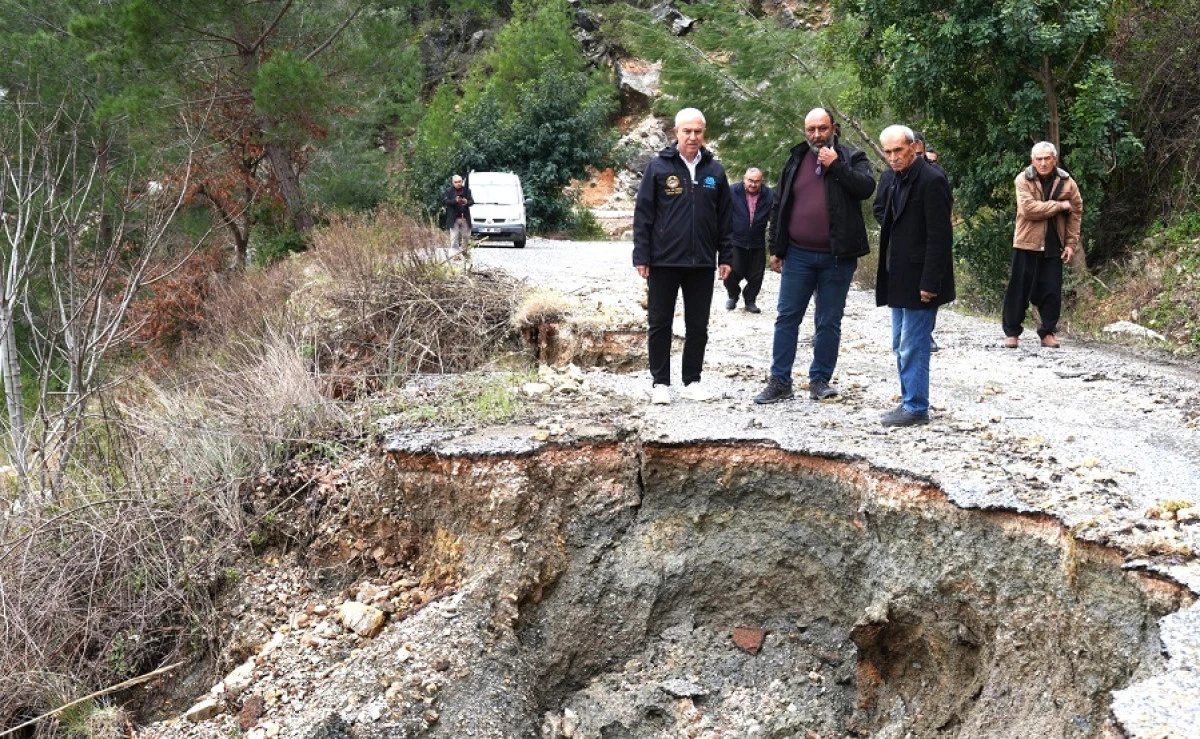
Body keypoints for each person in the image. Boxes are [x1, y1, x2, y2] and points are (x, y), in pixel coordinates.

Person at [754, 108, 876, 404]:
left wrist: (837, 166)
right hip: (798, 255)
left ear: (833, 128)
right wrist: (776, 249)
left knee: (828, 321)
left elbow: (866, 188)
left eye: (822, 128)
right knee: (787, 317)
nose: (817, 135)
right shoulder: (796, 159)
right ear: (805, 130)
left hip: (838, 257)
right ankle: (780, 381)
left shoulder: (852, 157)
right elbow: (780, 204)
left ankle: (820, 380)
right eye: (811, 129)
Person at [632, 107, 733, 405]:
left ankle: (692, 381)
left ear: (704, 134)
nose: (692, 136)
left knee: (698, 326)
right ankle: (660, 383)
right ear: (676, 132)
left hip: (702, 262)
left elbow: (726, 219)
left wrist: (726, 256)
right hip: (663, 260)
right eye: (687, 131)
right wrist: (642, 255)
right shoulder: (658, 167)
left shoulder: (715, 171)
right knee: (659, 323)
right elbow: (643, 214)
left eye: (697, 131)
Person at [874, 124, 955, 427]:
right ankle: (910, 399)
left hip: (921, 279)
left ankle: (916, 407)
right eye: (888, 152)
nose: (893, 157)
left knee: (914, 345)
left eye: (898, 150)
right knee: (900, 343)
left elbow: (940, 236)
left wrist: (930, 282)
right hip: (899, 275)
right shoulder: (894, 179)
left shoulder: (932, 180)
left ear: (913, 148)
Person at [1002, 141, 1083, 349]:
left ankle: (1047, 332)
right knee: (1018, 289)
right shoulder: (1023, 179)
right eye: (1039, 159)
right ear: (1033, 161)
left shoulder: (1067, 182)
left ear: (1054, 159)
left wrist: (1071, 244)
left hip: (1054, 244)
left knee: (1051, 291)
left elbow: (1076, 213)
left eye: (1047, 158)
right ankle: (1012, 333)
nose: (1044, 163)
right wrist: (1059, 205)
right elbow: (1028, 209)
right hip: (1026, 242)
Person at [724, 168, 774, 313]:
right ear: (744, 179)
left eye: (757, 181)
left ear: (761, 181)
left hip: (757, 241)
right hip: (736, 240)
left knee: (757, 275)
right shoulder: (732, 191)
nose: (753, 184)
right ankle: (733, 295)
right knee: (731, 271)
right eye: (750, 180)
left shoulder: (769, 195)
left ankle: (750, 300)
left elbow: (774, 217)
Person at [442, 174, 474, 260]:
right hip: (454, 218)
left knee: (466, 236)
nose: (458, 183)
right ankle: (455, 255)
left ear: (462, 181)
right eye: (456, 182)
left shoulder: (467, 190)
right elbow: (445, 201)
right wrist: (454, 201)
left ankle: (464, 251)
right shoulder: (449, 191)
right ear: (453, 182)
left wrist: (466, 202)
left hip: (465, 217)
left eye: (459, 181)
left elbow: (472, 202)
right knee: (454, 236)